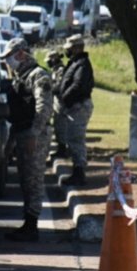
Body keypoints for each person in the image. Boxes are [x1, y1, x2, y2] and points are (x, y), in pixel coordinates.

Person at [0, 38, 53, 242]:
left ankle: (32, 226)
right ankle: (28, 223)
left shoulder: (38, 76)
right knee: (25, 180)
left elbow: (44, 107)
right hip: (22, 133)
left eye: (9, 57)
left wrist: (34, 133)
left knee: (33, 180)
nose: (8, 62)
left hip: (34, 135)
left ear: (21, 54)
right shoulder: (20, 77)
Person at [58, 35, 94, 186]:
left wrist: (65, 97)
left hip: (78, 106)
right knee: (72, 138)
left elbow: (78, 85)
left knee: (76, 139)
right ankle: (76, 171)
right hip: (74, 106)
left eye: (70, 49)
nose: (68, 51)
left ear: (78, 48)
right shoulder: (76, 63)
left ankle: (79, 173)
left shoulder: (82, 64)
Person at [46, 49, 68, 158]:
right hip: (56, 102)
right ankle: (61, 148)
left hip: (61, 102)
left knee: (61, 126)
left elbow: (59, 86)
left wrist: (49, 89)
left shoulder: (61, 70)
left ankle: (63, 149)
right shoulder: (54, 70)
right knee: (57, 125)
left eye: (49, 60)